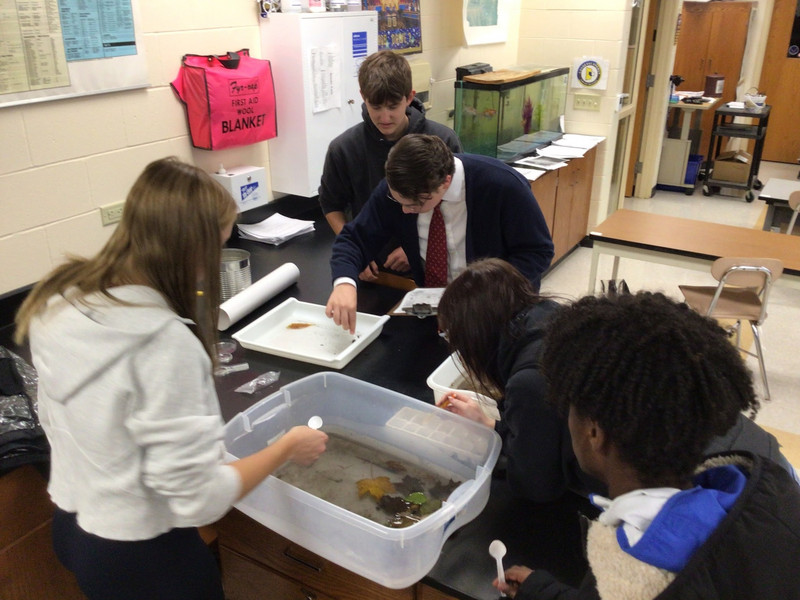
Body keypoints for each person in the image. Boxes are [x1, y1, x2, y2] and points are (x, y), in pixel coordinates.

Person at [13, 157, 328, 600]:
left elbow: (99, 421)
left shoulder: (62, 298)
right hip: (145, 558)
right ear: (191, 251)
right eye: (216, 248)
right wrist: (286, 448)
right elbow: (201, 500)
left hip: (75, 528)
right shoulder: (163, 344)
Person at [493, 292, 800, 599]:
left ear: (594, 433)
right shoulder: (766, 487)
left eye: (570, 407)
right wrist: (541, 591)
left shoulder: (626, 573)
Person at [326, 134, 554, 333]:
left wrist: (490, 295)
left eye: (416, 204)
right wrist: (345, 283)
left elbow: (537, 251)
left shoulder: (503, 186)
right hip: (434, 311)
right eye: (399, 201)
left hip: (499, 312)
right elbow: (354, 239)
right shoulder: (396, 191)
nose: (405, 210)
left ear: (446, 181)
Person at [436, 258, 599, 503]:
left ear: (474, 337)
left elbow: (535, 486)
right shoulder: (550, 314)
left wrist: (497, 441)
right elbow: (544, 432)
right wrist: (490, 425)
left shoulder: (530, 383)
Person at [318, 49, 461, 283]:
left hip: (431, 266)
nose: (385, 117)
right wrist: (356, 252)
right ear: (363, 96)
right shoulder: (343, 148)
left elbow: (455, 206)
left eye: (393, 106)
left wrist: (415, 248)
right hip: (373, 273)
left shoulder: (443, 141)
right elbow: (331, 204)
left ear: (409, 96)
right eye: (376, 107)